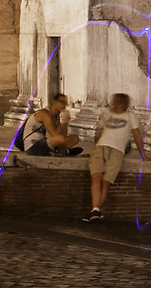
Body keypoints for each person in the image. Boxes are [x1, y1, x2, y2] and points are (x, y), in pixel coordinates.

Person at [84, 92, 135, 221]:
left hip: (117, 150)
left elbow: (137, 135)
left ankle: (96, 210)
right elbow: (99, 133)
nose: (118, 104)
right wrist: (94, 151)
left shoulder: (131, 116)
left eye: (120, 102)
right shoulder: (107, 114)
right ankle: (96, 210)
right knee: (96, 177)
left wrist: (143, 155)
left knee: (105, 182)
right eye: (116, 102)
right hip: (101, 147)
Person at [24, 92, 84, 157]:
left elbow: (63, 135)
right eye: (61, 102)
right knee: (59, 139)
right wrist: (62, 122)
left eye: (65, 103)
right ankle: (64, 151)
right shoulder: (44, 114)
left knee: (75, 138)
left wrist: (65, 123)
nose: (64, 105)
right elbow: (55, 135)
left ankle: (61, 151)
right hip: (32, 146)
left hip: (43, 142)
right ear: (54, 102)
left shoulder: (56, 116)